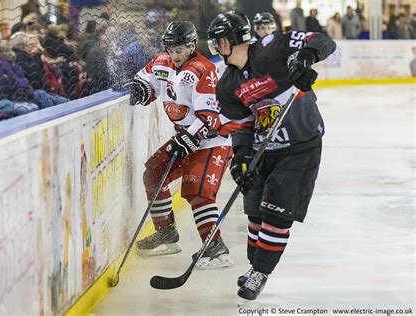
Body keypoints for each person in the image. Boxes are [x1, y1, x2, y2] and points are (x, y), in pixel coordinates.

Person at [207, 10, 336, 300]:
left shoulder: (270, 47)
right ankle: (256, 265)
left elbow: (322, 40)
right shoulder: (227, 84)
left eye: (218, 41)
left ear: (229, 40)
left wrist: (306, 57)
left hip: (300, 147)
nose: (215, 47)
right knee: (254, 211)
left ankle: (261, 272)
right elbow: (241, 124)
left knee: (276, 211)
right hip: (263, 151)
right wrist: (240, 156)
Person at [128, 21, 234, 269]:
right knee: (153, 172)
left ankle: (216, 248)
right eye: (171, 49)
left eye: (180, 50)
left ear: (192, 46)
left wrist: (190, 137)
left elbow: (210, 117)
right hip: (184, 138)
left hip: (211, 141)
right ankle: (166, 233)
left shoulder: (203, 69)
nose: (175, 56)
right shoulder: (162, 62)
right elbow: (146, 80)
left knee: (196, 189)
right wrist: (140, 89)